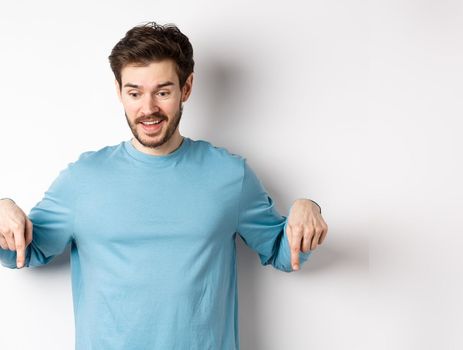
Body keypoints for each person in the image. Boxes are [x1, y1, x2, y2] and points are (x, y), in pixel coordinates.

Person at [0, 22, 328, 349]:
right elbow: (24, 251)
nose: (148, 109)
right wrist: (3, 210)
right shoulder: (82, 179)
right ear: (119, 92)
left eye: (163, 92)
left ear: (186, 88)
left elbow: (282, 252)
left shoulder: (230, 175)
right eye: (134, 93)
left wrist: (307, 208)